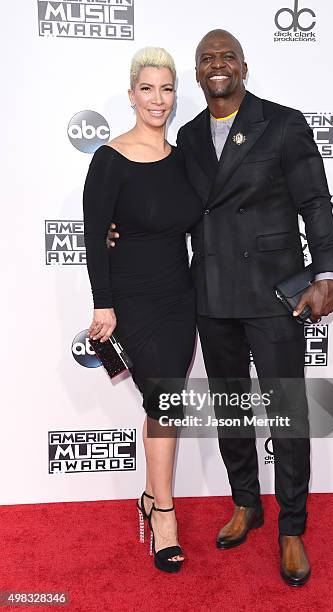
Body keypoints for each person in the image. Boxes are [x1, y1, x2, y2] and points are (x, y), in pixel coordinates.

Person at [108, 30, 333, 586]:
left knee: (285, 414)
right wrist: (121, 228)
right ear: (197, 74)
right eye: (206, 60)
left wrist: (327, 272)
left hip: (275, 295)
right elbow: (160, 198)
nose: (217, 66)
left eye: (226, 57)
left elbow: (315, 200)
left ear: (243, 65)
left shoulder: (283, 123)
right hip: (211, 294)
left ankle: (291, 526)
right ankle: (246, 503)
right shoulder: (185, 136)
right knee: (232, 407)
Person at [83, 47, 203, 573]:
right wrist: (103, 304)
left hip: (181, 298)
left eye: (167, 89)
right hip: (132, 300)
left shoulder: (184, 159)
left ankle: (152, 498)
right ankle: (165, 517)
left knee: (168, 403)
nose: (158, 99)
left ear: (175, 96)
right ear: (132, 95)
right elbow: (93, 235)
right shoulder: (109, 158)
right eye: (148, 89)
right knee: (164, 399)